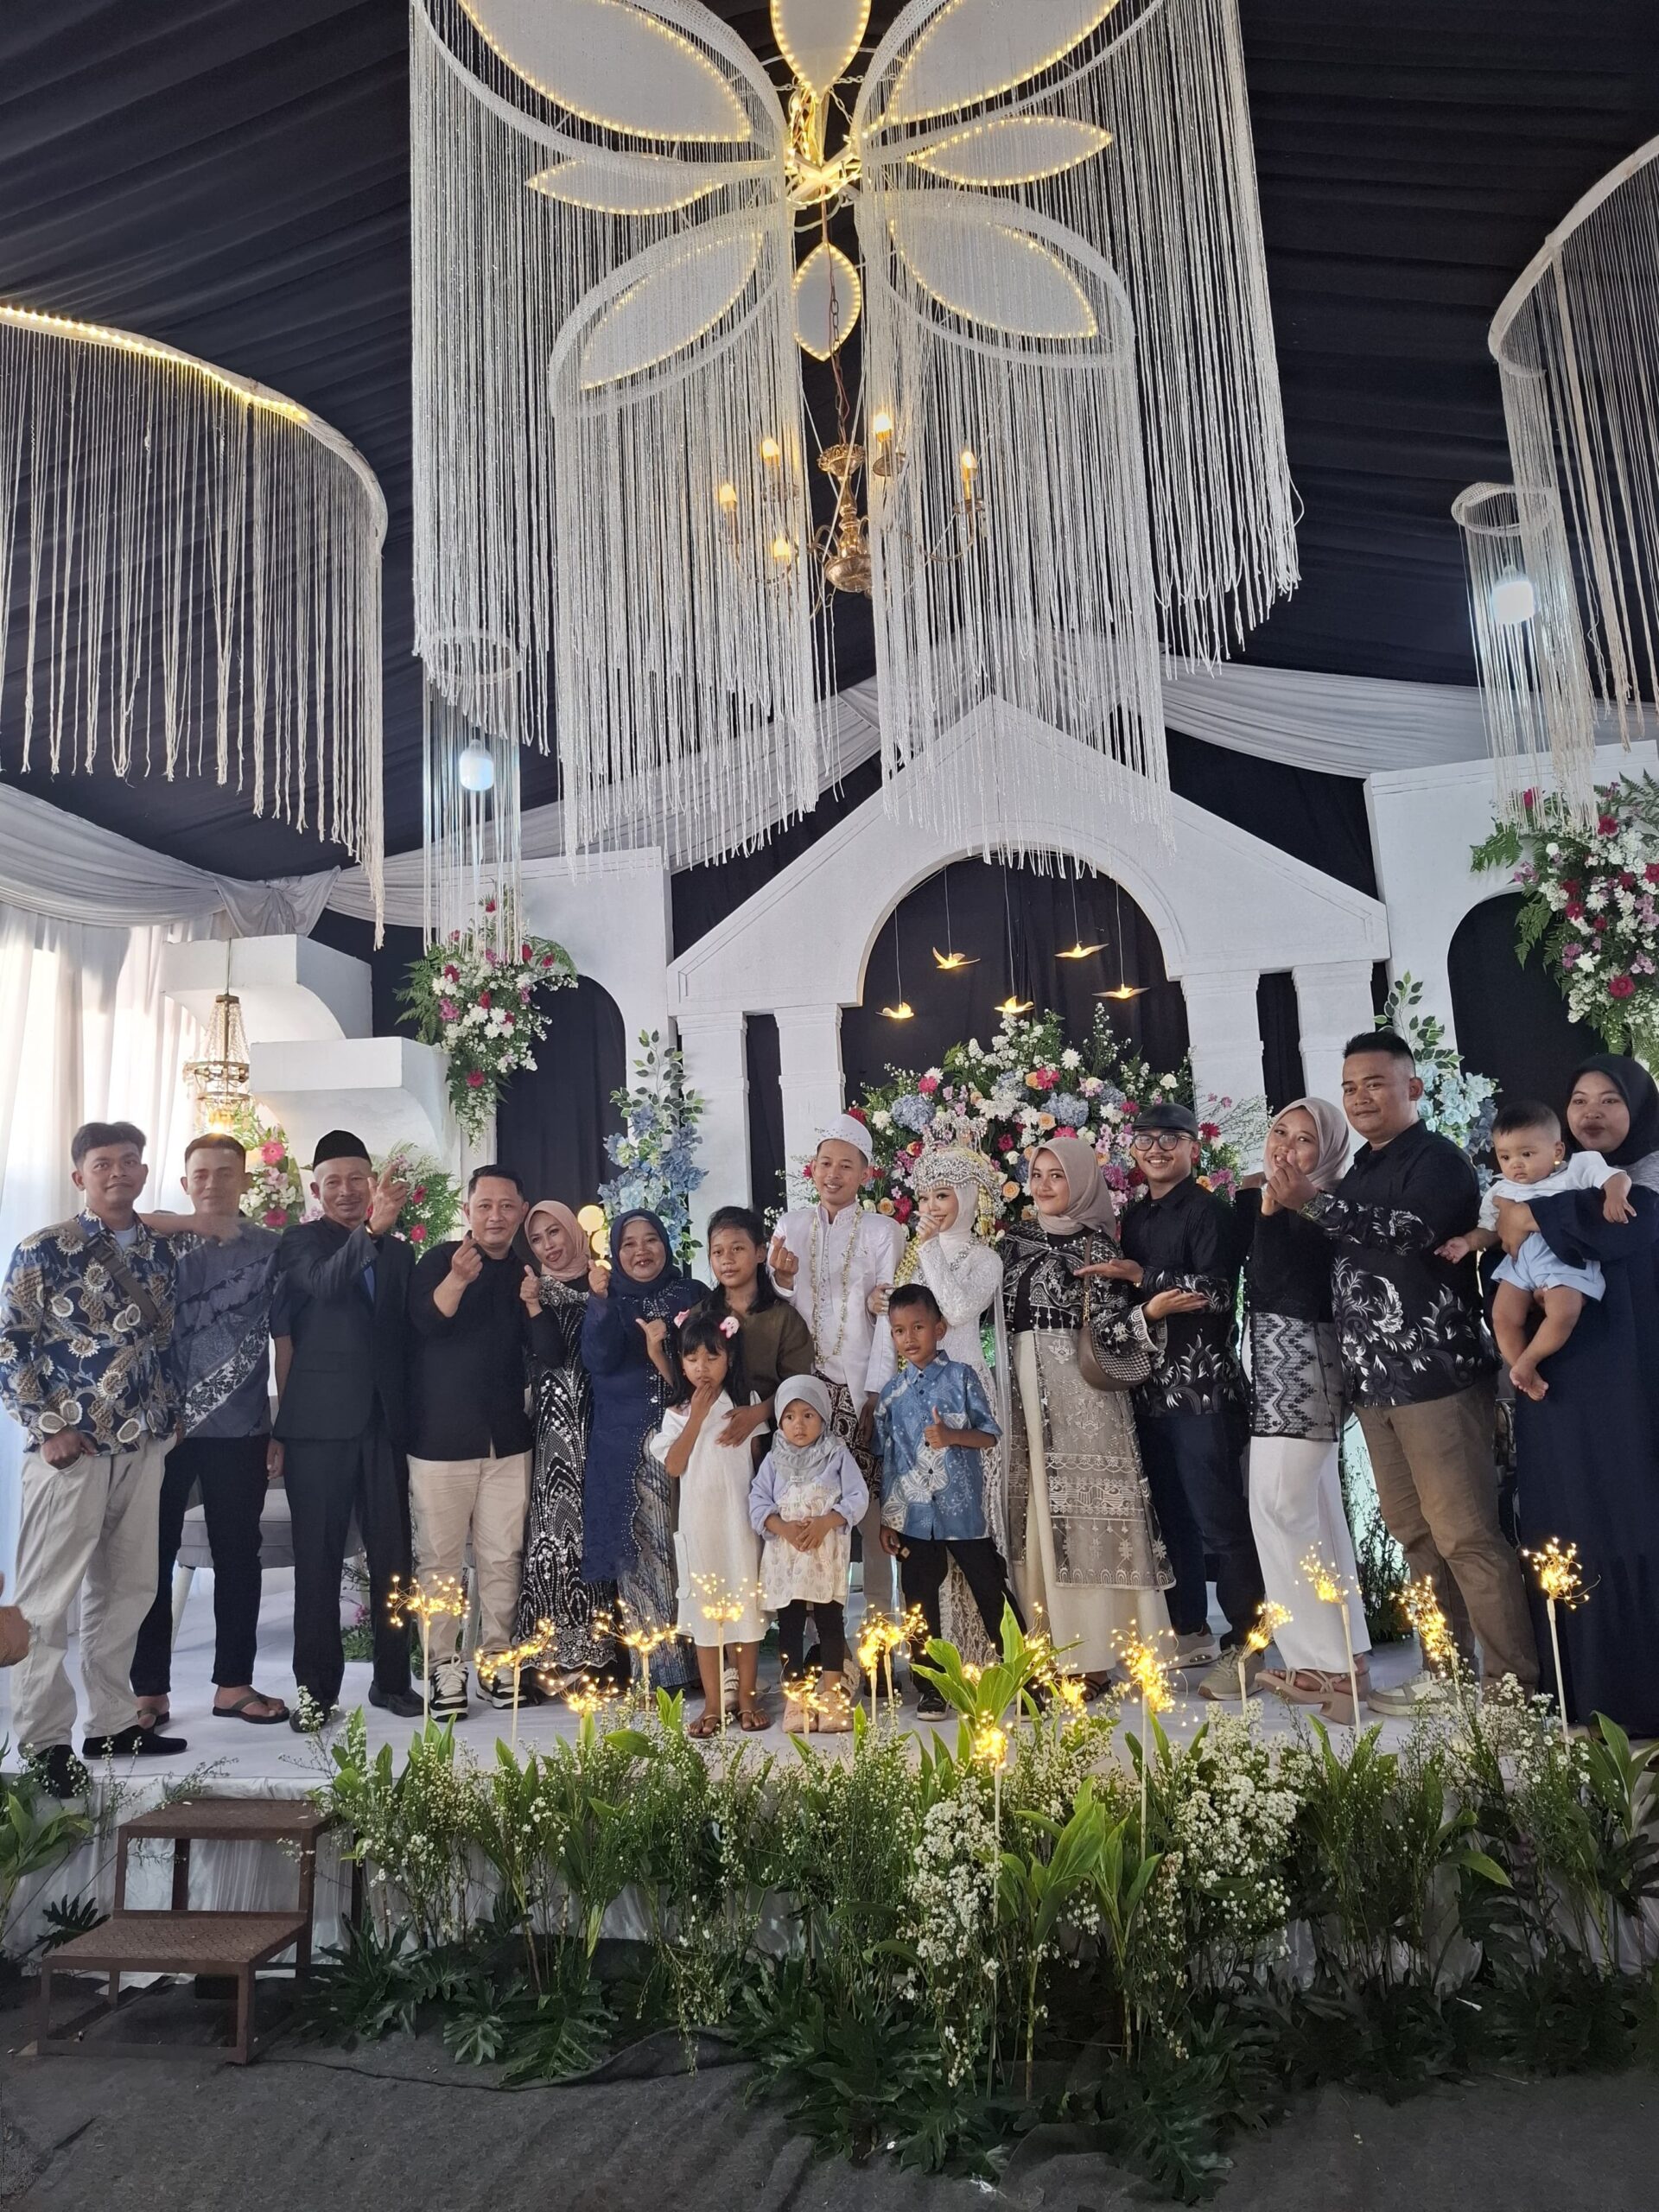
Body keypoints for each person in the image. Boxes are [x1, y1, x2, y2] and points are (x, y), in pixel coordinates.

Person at [1269, 1030, 1538, 1712]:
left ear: (1412, 1087)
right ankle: (1446, 1674)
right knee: (1415, 1536)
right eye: (1349, 1087)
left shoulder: (1438, 1160)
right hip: (1375, 1386)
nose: (1360, 1098)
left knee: (1466, 1535)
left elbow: (1411, 1232)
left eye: (1375, 1084)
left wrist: (1313, 1201)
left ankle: (1511, 1688)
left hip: (1434, 1378)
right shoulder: (1359, 1168)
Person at [0, 1121, 188, 1792]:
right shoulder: (44, 1248)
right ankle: (43, 1741)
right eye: (103, 1164)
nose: (117, 1173)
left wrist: (171, 1413)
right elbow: (11, 1343)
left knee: (128, 1589)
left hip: (144, 1441)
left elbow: (166, 1341)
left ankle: (111, 1722)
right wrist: (46, 1426)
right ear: (80, 1176)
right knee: (47, 1600)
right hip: (70, 1451)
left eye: (129, 1161)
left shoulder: (161, 1252)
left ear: (144, 1172)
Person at [1492, 1054, 1659, 1736]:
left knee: (1628, 1515)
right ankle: (1577, 1686)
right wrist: (1526, 1218)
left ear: (1638, 1108)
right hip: (1559, 1383)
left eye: (1610, 1099)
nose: (1592, 1111)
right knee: (1566, 1517)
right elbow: (1508, 1241)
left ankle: (1639, 1695)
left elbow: (1624, 1228)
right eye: (1580, 1099)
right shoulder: (1541, 1181)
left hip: (1631, 1384)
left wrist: (1531, 1217)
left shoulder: (1648, 1175)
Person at [130, 1132, 289, 1731]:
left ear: (246, 1181)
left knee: (238, 1557)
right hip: (161, 1429)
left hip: (241, 1428)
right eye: (201, 1173)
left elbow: (285, 1340)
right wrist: (185, 1222)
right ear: (184, 1181)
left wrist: (281, 1427)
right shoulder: (157, 1240)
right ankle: (149, 1692)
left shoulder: (270, 1248)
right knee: (151, 1558)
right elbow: (103, 1223)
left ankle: (233, 1685)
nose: (213, 1183)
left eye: (226, 1173)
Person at [999, 1138, 1173, 1688]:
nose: (1045, 1185)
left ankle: (1093, 1657)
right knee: (1034, 1515)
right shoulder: (1012, 1243)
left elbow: (1111, 1333)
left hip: (1084, 1395)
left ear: (1081, 1181)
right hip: (1020, 1389)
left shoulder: (1099, 1246)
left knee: (1085, 1515)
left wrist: (1147, 1312)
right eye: (1037, 1174)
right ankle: (1041, 1650)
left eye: (1058, 1175)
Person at [274, 1131, 421, 1730]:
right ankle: (316, 1692)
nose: (346, 1190)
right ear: (316, 1190)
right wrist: (373, 1231)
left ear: (373, 1182)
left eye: (357, 1179)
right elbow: (326, 1284)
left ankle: (393, 1680)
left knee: (393, 1559)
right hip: (317, 1427)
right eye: (333, 1181)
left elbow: (407, 1338)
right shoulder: (299, 1242)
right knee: (318, 1561)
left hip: (385, 1425)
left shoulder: (401, 1255)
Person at [1109, 1101, 1262, 1675]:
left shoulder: (1208, 1211)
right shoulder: (1134, 1217)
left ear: (1193, 1148)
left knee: (1219, 1520)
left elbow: (1218, 1293)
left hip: (1203, 1392)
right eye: (1145, 1139)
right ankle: (1190, 1628)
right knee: (1170, 1518)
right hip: (1149, 1392)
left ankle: (1247, 1639)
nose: (1156, 1149)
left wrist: (1142, 1277)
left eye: (1169, 1138)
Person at [1236, 1098, 1372, 1722]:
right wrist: (1266, 1204)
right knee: (1315, 1514)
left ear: (1330, 1151)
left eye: (1304, 1140)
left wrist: (1279, 1207)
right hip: (1280, 1371)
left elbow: (1286, 1284)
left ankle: (1324, 1666)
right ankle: (1349, 1657)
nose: (1285, 1147)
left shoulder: (1328, 1208)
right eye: (1279, 1132)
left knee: (1280, 1509)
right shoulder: (1274, 1201)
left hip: (1302, 1371)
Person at [867, 1134, 1009, 1657]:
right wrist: (878, 1298)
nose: (931, 1208)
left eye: (943, 1196)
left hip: (965, 1393)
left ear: (969, 1197)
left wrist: (926, 1250)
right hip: (914, 1399)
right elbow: (898, 1319)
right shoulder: (915, 1255)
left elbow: (957, 1310)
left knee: (973, 1525)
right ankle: (939, 1663)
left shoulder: (986, 1259)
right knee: (924, 1536)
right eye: (924, 1198)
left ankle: (995, 1654)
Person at [406, 1165, 535, 1720]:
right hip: (440, 1441)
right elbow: (425, 1324)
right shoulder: (439, 1260)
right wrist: (457, 1279)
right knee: (439, 1561)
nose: (496, 1216)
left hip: (507, 1441)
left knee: (503, 1556)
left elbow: (541, 1346)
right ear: (467, 1212)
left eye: (506, 1206)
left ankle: (498, 1659)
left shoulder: (526, 1272)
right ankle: (443, 1667)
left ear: (521, 1212)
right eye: (485, 1206)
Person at [768, 1115, 906, 1605]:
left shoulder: (883, 1231)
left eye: (846, 1166)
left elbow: (891, 1315)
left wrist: (877, 1391)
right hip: (803, 1389)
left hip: (859, 1385)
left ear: (865, 1174)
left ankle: (878, 1627)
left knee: (867, 1506)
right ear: (813, 1168)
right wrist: (784, 1280)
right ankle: (814, 1628)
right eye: (825, 1163)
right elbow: (774, 1307)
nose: (833, 1174)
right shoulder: (791, 1225)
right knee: (804, 1506)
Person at [874, 1284, 1017, 1716]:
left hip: (963, 1514)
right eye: (899, 1330)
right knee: (918, 1602)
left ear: (939, 1328)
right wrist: (888, 1518)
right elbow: (889, 1460)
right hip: (914, 1518)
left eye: (918, 1327)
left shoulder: (962, 1378)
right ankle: (931, 1686)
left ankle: (1023, 1676)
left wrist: (952, 1436)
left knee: (991, 1590)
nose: (909, 1338)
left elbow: (990, 1436)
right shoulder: (890, 1394)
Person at [582, 1209, 702, 1693]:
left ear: (666, 1245)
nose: (641, 1251)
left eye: (651, 1239)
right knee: (643, 1557)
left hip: (690, 1440)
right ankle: (660, 1671)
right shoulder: (608, 1300)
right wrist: (599, 1303)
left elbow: (711, 1359)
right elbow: (598, 1359)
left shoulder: (690, 1295)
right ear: (615, 1252)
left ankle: (705, 1661)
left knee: (691, 1547)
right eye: (628, 1244)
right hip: (626, 1446)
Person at [1439, 1100, 1630, 1402]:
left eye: (1526, 1154)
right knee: (1502, 1315)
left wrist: (1615, 1197)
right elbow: (1490, 1230)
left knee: (1563, 1311)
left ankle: (1530, 1359)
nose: (1516, 1164)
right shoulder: (1500, 1190)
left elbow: (1616, 1177)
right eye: (1505, 1157)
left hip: (1563, 1259)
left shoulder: (1575, 1171)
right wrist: (1466, 1243)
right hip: (1520, 1262)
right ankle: (1521, 1369)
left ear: (1557, 1151)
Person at [651, 1308, 767, 1735]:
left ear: (729, 1359)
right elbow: (674, 1465)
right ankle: (714, 1705)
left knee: (745, 1609)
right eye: (692, 1358)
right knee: (705, 1614)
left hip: (740, 1524)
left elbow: (757, 1464)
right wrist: (696, 1418)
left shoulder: (744, 1405)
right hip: (699, 1528)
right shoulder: (676, 1413)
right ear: (681, 1364)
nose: (702, 1367)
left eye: (712, 1357)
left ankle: (748, 1699)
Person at [513, 1200, 617, 1681]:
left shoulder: (604, 1281)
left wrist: (600, 1296)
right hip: (555, 1426)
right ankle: (551, 1651)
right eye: (536, 1239)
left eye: (554, 1233)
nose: (548, 1246)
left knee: (599, 1527)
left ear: (574, 1231)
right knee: (556, 1530)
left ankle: (603, 1651)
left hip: (602, 1418)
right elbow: (550, 1355)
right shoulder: (534, 1291)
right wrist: (535, 1306)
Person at [749, 1374, 868, 1732]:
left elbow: (858, 1496)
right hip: (785, 1559)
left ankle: (831, 1698)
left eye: (808, 1415)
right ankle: (797, 1700)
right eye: (789, 1416)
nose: (798, 1425)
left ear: (823, 1417)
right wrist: (782, 1527)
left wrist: (827, 1522)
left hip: (823, 1556)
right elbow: (757, 1501)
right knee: (790, 1626)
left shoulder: (836, 1454)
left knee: (830, 1623)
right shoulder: (773, 1459)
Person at [701, 1205, 815, 1455]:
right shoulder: (701, 1315)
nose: (727, 1259)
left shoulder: (783, 1318)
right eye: (717, 1252)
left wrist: (758, 1413)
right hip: (713, 1442)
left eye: (737, 1249)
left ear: (761, 1252)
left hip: (774, 1443)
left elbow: (798, 1385)